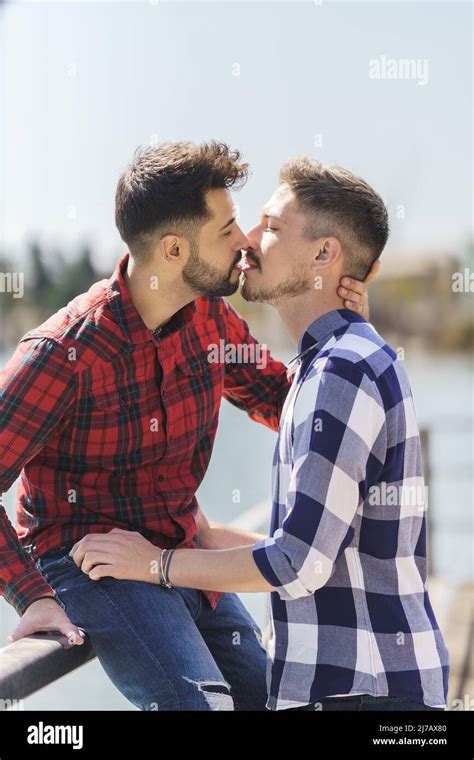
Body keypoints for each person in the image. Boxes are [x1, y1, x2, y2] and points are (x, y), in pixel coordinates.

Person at [0, 142, 372, 711]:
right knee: (201, 706)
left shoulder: (210, 320)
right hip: (90, 564)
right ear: (174, 249)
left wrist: (342, 332)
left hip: (181, 555)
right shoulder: (62, 352)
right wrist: (31, 599)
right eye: (226, 229)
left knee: (274, 701)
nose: (245, 240)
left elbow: (284, 399)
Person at [78, 156, 450, 711]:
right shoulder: (326, 365)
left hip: (360, 696)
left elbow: (297, 563)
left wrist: (153, 566)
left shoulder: (342, 370)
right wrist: (194, 536)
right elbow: (330, 556)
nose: (249, 239)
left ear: (325, 254)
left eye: (272, 227)